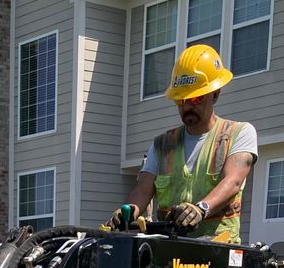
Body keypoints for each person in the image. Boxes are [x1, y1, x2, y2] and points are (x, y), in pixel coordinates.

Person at [108, 45, 257, 240]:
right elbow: (143, 189)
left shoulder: (239, 133)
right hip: (169, 247)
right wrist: (128, 212)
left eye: (195, 99)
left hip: (218, 247)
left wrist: (201, 209)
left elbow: (233, 182)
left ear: (215, 94)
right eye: (180, 100)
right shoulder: (162, 145)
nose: (186, 107)